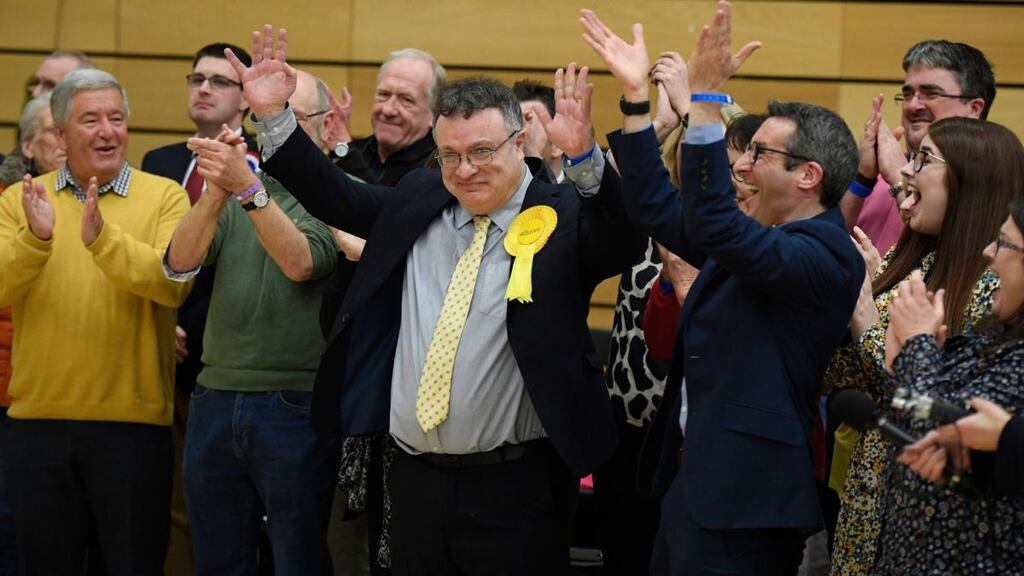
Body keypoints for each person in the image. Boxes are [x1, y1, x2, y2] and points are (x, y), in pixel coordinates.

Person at [224, 25, 645, 574]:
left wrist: (588, 156)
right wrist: (274, 118)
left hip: (516, 483)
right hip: (411, 477)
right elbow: (335, 194)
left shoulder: (561, 212)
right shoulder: (420, 197)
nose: (465, 170)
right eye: (450, 155)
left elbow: (623, 239)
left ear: (521, 143)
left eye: (482, 152)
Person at [583, 2, 862, 573]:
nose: (745, 165)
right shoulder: (755, 236)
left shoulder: (823, 253)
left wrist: (706, 101)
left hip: (750, 506)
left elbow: (712, 222)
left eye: (760, 153)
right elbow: (657, 207)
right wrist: (636, 101)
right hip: (694, 486)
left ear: (808, 175)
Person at [0, 68, 191, 575]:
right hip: (37, 427)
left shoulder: (167, 197)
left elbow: (172, 282)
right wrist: (34, 241)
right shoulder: (23, 199)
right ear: (60, 136)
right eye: (90, 120)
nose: (108, 131)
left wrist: (102, 238)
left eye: (117, 118)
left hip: (133, 429)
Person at [827, 117, 1020, 576]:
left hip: (941, 516)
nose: (907, 173)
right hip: (873, 487)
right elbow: (847, 377)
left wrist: (867, 323)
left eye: (924, 160)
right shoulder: (912, 257)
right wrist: (849, 309)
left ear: (973, 183)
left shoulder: (993, 288)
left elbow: (933, 406)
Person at [166, 68, 338, 576]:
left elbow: (301, 262)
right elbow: (179, 264)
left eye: (289, 117)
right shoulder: (242, 187)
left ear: (327, 128)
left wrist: (247, 192)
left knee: (297, 560)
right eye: (267, 119)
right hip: (212, 396)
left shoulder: (344, 194)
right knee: (217, 561)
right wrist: (216, 194)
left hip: (295, 404)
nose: (275, 130)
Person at [875, 197, 1024, 573]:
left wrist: (917, 346)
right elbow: (922, 423)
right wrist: (911, 359)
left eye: (1004, 243)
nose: (988, 253)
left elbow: (936, 429)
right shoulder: (998, 333)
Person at [841, 40, 995, 255]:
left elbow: (946, 264)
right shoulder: (872, 179)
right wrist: (862, 178)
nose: (913, 105)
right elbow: (823, 253)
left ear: (974, 108)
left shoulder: (995, 183)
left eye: (931, 94)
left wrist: (898, 178)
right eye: (907, 94)